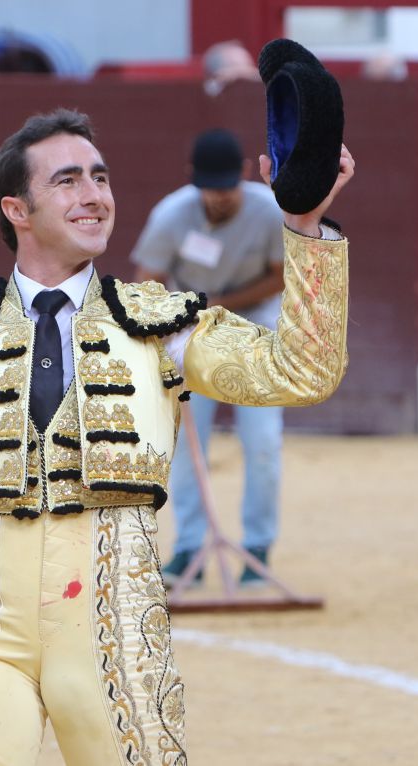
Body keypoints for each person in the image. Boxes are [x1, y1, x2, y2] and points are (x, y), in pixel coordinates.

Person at [0, 108, 353, 765]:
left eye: (100, 177)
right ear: (17, 210)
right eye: (67, 181)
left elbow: (303, 371)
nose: (94, 195)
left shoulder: (162, 325)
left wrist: (305, 229)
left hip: (116, 634)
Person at [130, 129, 286, 587]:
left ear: (242, 175)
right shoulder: (172, 215)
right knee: (185, 446)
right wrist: (171, 324)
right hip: (189, 328)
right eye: (209, 187)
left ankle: (257, 545)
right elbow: (147, 282)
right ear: (193, 180)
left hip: (254, 325)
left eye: (226, 185)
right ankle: (188, 547)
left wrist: (220, 301)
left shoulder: (267, 211)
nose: (218, 197)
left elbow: (280, 278)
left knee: (263, 444)